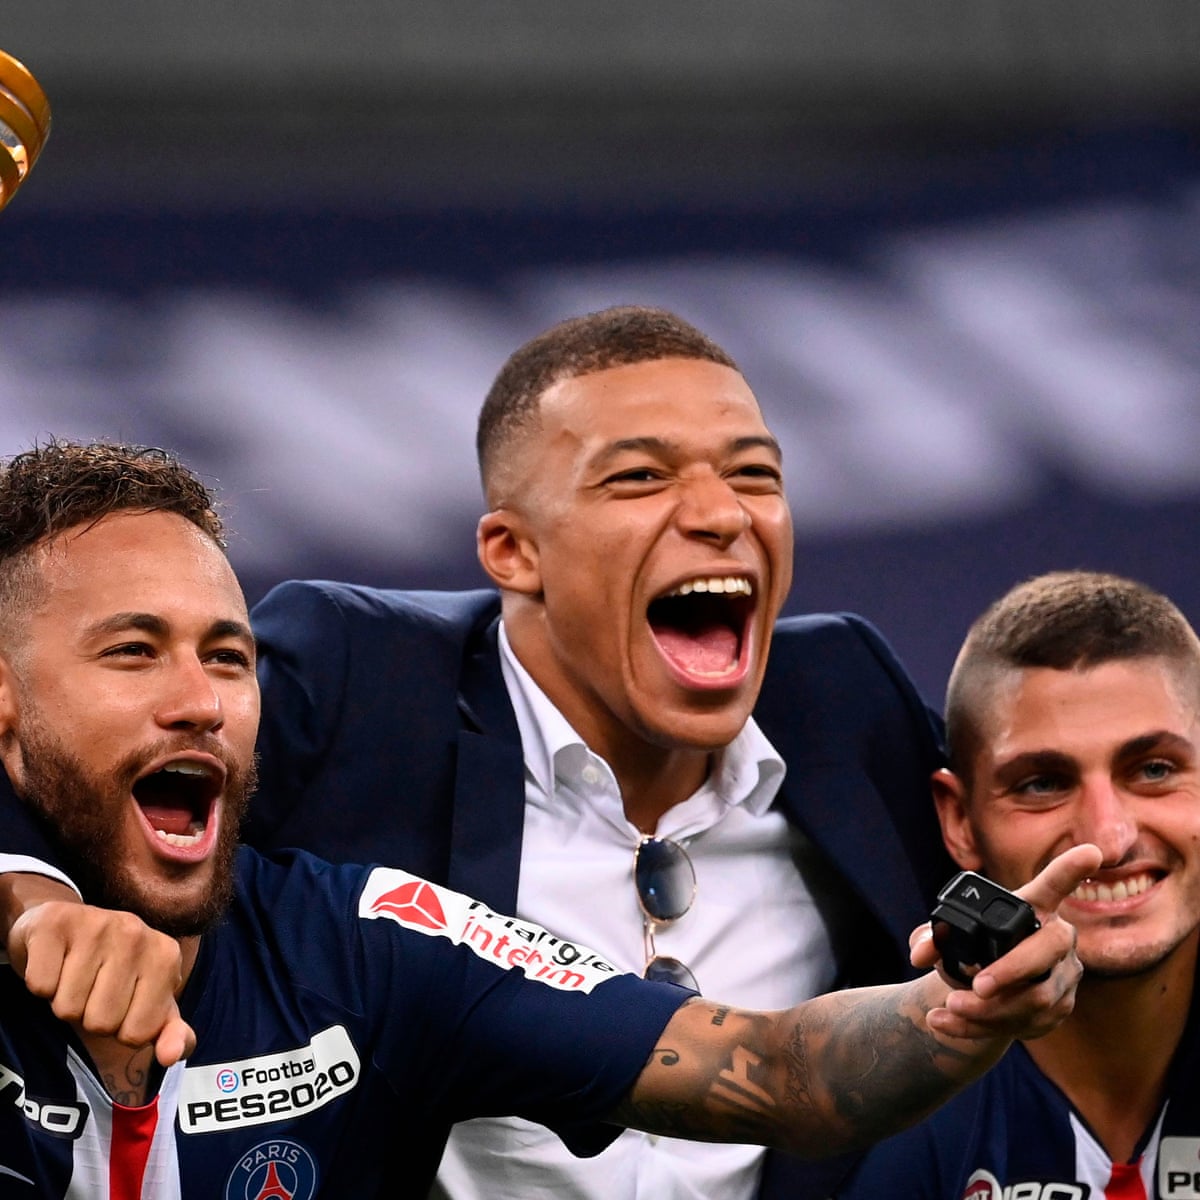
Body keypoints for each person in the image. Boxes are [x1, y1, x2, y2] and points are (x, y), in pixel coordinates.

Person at [1, 307, 954, 1197]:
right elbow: (68, 741)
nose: (721, 514)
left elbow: (812, 1065)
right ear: (511, 549)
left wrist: (976, 999)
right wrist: (33, 898)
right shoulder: (356, 679)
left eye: (755, 474)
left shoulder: (846, 699)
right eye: (641, 476)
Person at [833, 570, 1200, 1198]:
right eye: (1043, 784)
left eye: (1155, 769)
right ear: (960, 820)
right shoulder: (889, 1110)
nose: (1107, 840)